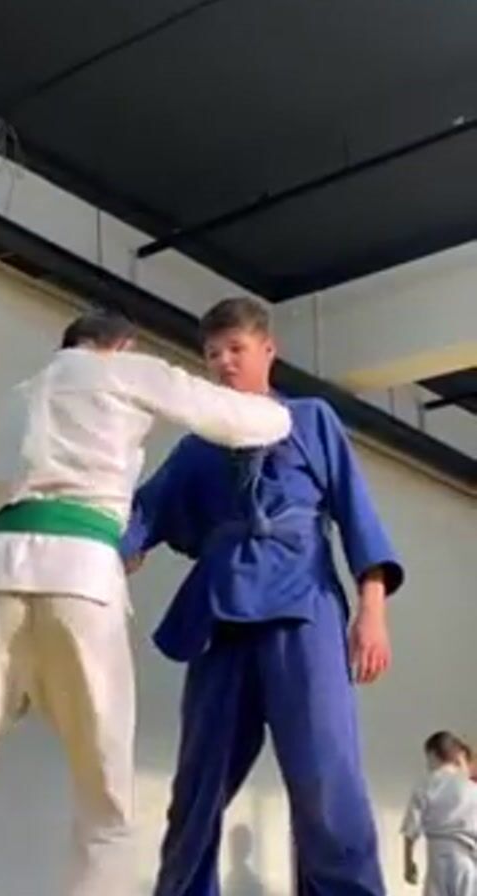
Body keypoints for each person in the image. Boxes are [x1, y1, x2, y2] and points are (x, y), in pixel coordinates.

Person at [0, 310, 292, 896]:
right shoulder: (123, 371)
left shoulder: (21, 395)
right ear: (120, 344)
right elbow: (238, 419)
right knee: (103, 796)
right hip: (82, 575)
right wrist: (284, 412)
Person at [122, 297, 404, 896]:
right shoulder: (199, 445)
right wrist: (105, 555)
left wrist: (372, 613)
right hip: (220, 616)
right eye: (212, 354)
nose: (223, 362)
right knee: (197, 786)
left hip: (304, 608)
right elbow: (145, 512)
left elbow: (357, 514)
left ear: (267, 350)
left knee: (326, 775)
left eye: (236, 349)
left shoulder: (311, 419)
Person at [402, 731, 477, 896]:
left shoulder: (425, 785)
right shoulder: (472, 788)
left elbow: (410, 830)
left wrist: (408, 864)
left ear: (433, 755)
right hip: (467, 859)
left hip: (437, 858)